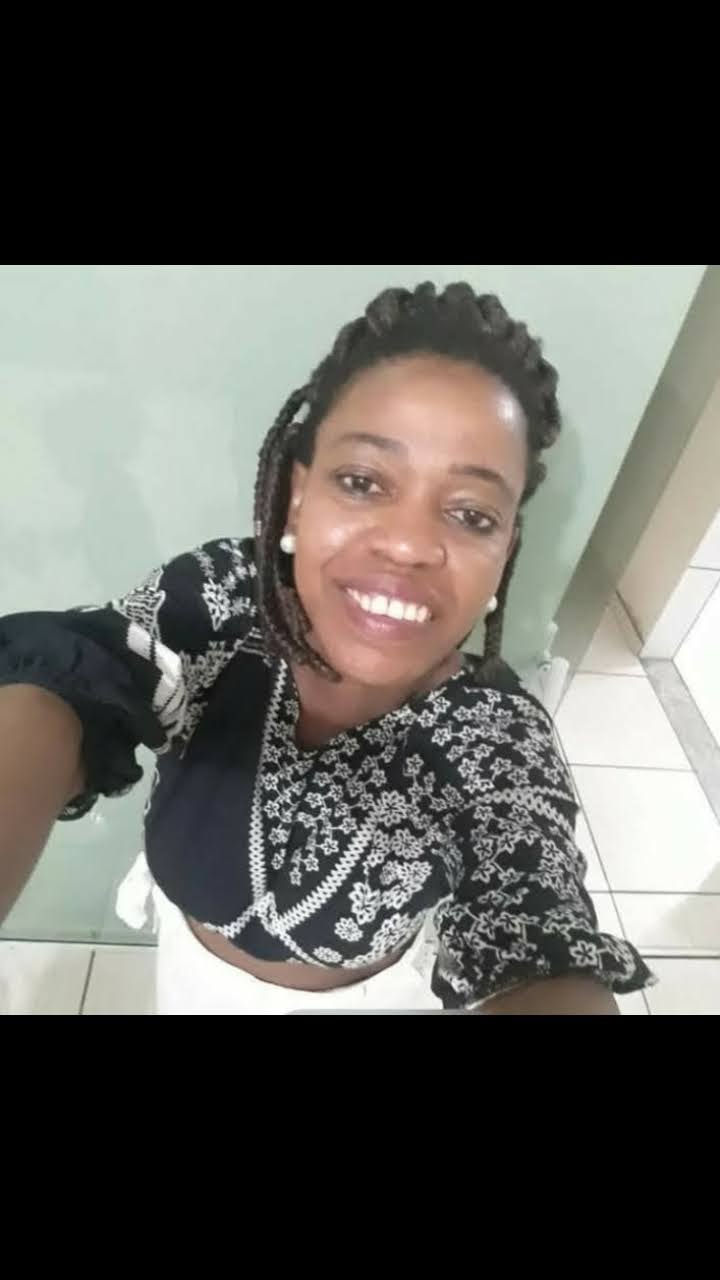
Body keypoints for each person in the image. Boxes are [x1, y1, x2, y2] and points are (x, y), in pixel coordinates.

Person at [0, 281, 652, 1014]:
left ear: (505, 551)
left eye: (472, 514)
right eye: (363, 481)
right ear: (299, 495)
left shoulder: (493, 741)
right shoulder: (221, 600)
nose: (408, 544)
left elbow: (536, 924)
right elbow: (72, 679)